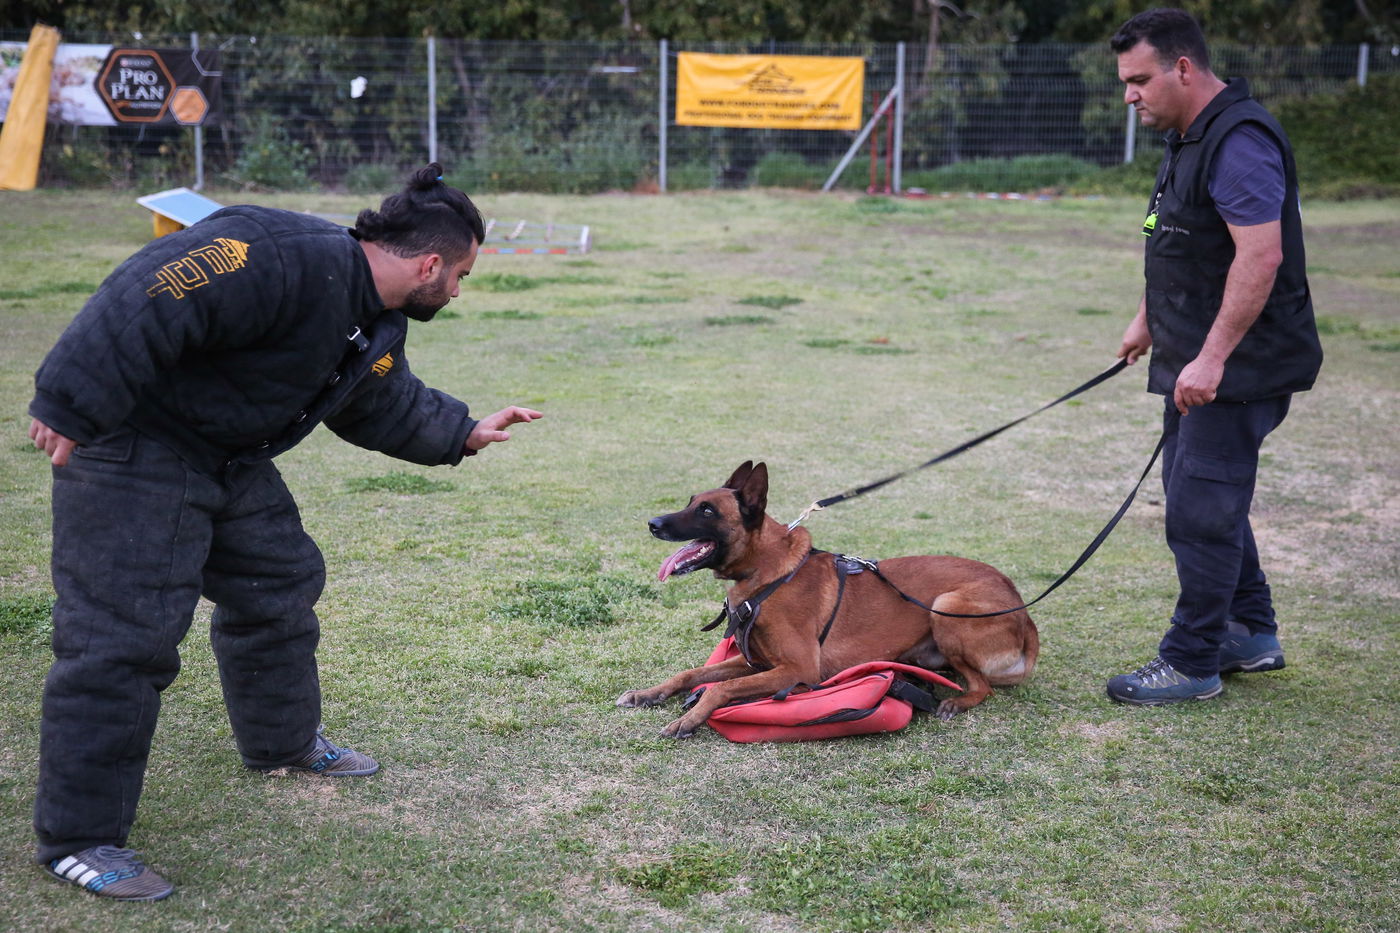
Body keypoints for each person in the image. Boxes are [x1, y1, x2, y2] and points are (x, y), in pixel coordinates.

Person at [27, 163, 542, 900]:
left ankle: (282, 743)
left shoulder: (373, 316)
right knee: (121, 639)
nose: (457, 291)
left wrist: (461, 431)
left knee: (279, 580)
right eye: (459, 274)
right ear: (430, 263)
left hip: (223, 458)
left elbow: (380, 400)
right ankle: (77, 838)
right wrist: (71, 398)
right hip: (130, 444)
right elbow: (153, 285)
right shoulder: (277, 251)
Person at [1104, 9, 1323, 705]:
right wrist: (1147, 320)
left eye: (1139, 79)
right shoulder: (1187, 136)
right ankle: (1251, 632)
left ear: (1184, 68)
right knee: (1208, 498)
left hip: (1240, 366)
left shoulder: (1240, 140)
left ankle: (1193, 659)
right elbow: (1175, 237)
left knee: (1199, 508)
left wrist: (1212, 358)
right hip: (1195, 357)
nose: (1130, 95)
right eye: (1125, 82)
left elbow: (1261, 256)